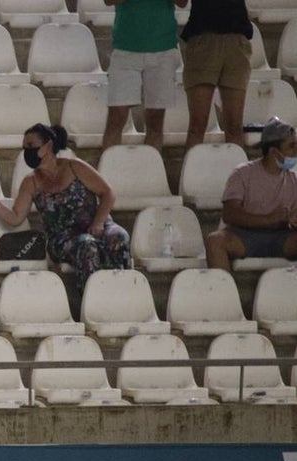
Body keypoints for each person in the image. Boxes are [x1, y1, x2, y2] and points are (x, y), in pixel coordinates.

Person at [0, 123, 131, 297]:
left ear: (48, 146)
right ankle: (94, 300)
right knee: (87, 245)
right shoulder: (31, 181)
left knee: (119, 236)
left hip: (96, 224)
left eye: (31, 146)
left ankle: (122, 295)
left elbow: (108, 193)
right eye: (25, 147)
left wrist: (99, 222)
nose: (27, 151)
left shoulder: (75, 167)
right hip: (63, 237)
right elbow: (16, 217)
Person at [205, 117, 297, 271]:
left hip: (282, 237)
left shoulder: (294, 179)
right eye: (292, 146)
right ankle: (223, 292)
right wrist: (268, 220)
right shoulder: (243, 173)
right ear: (274, 151)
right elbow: (230, 214)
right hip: (244, 236)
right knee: (215, 241)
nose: (296, 151)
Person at [102, 0, 190, 149]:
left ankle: (151, 169)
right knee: (116, 117)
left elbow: (182, 2)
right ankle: (108, 169)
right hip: (125, 47)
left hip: (163, 46)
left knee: (156, 120)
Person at [180, 0, 253, 150]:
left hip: (236, 37)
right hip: (203, 37)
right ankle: (192, 171)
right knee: (198, 124)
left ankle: (237, 171)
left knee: (234, 125)